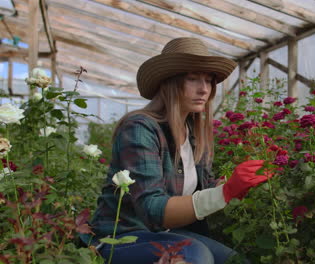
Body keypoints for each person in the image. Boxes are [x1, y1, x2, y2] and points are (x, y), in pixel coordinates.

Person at [80, 37, 271, 264]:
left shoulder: (193, 131)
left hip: (169, 234)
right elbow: (152, 209)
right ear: (168, 82)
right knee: (195, 256)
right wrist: (225, 192)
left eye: (209, 81)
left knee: (235, 261)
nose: (204, 89)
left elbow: (204, 189)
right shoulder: (140, 128)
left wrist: (250, 173)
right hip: (121, 238)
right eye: (192, 79)